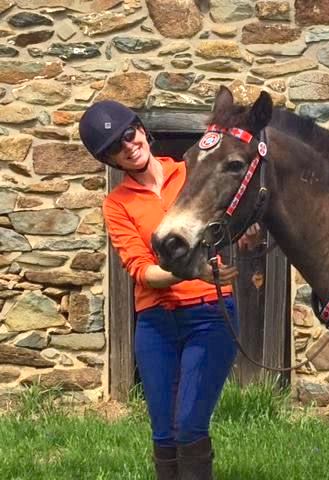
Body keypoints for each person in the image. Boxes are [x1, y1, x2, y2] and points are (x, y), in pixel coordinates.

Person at [79, 100, 255, 480]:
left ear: (141, 129)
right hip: (156, 324)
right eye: (114, 147)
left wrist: (248, 231)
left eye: (129, 134)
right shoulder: (117, 204)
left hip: (209, 316)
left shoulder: (190, 172)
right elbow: (141, 271)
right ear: (109, 159)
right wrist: (192, 271)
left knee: (190, 425)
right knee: (163, 432)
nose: (127, 145)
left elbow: (231, 210)